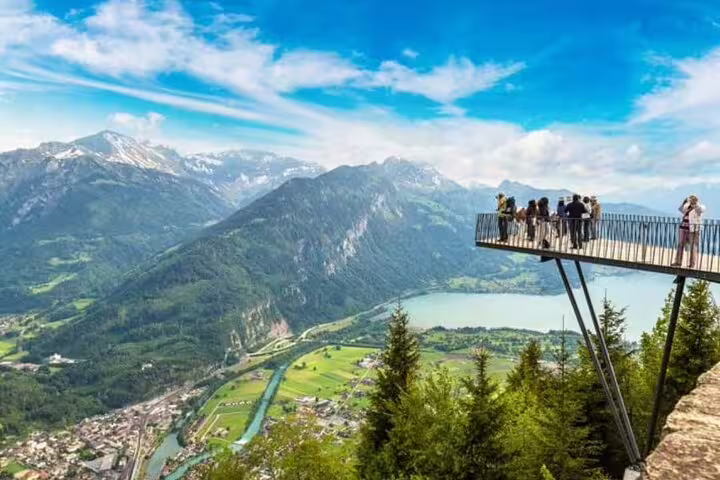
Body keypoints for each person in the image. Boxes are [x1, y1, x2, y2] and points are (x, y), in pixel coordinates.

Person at [672, 195, 706, 268]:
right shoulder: (687, 206)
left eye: (693, 199)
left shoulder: (701, 207)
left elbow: (700, 210)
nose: (691, 201)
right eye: (691, 199)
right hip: (683, 228)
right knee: (680, 245)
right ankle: (678, 262)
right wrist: (685, 201)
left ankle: (692, 264)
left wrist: (695, 203)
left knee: (693, 246)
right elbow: (681, 209)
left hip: (693, 230)